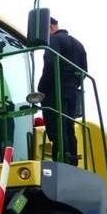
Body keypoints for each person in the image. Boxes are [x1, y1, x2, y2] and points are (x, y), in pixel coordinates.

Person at [37, 17, 87, 165]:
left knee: (56, 128)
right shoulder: (79, 45)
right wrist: (71, 85)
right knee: (68, 127)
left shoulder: (54, 41)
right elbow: (83, 72)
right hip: (72, 94)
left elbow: (49, 66)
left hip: (55, 93)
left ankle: (60, 161)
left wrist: (41, 89)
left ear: (50, 27)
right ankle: (71, 160)